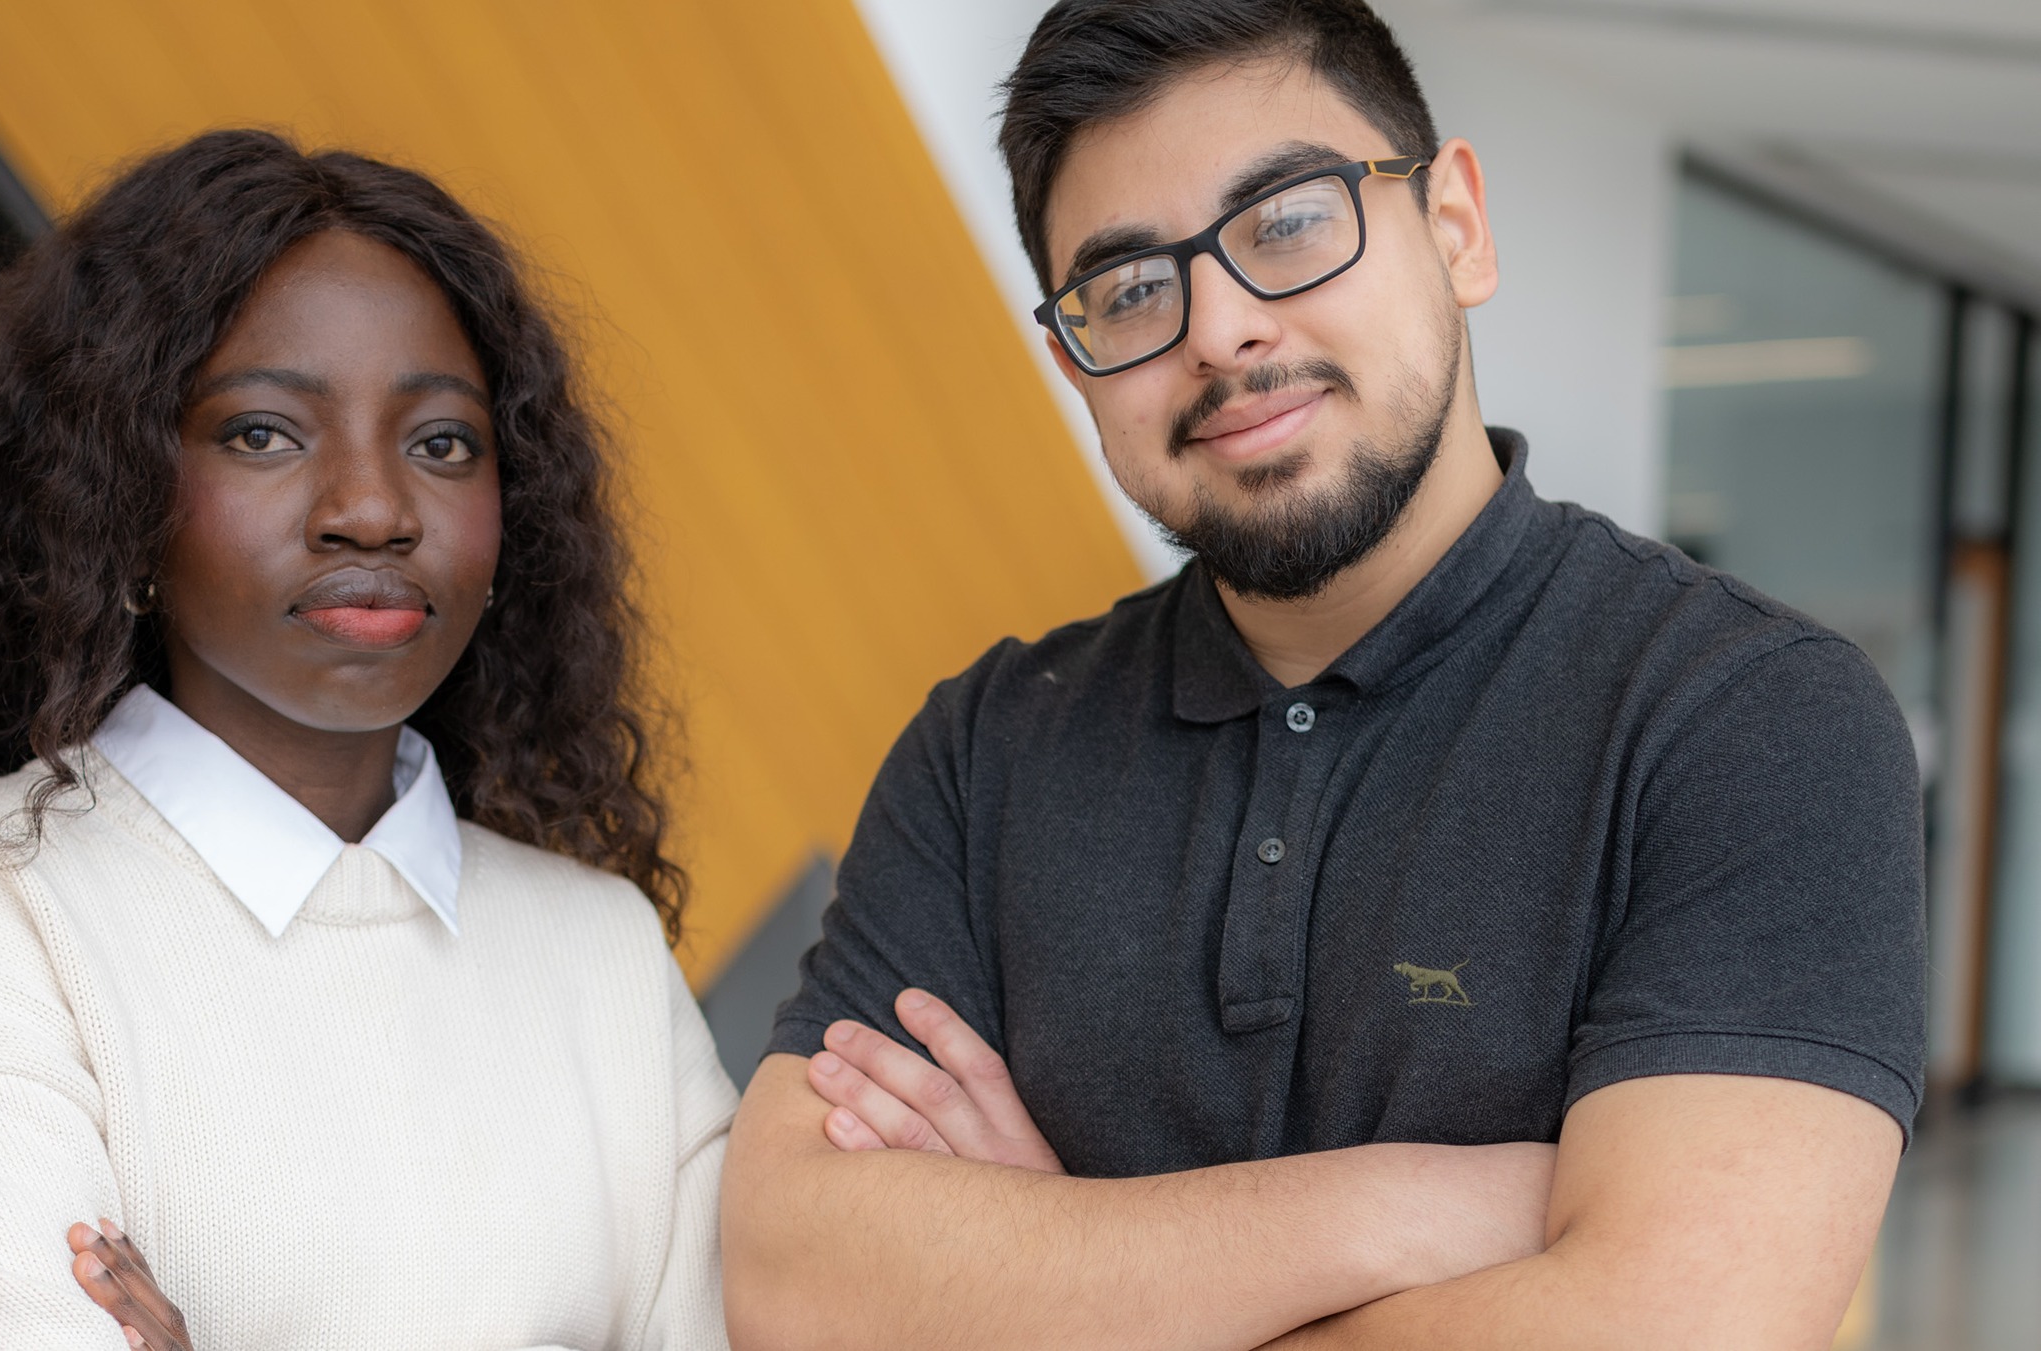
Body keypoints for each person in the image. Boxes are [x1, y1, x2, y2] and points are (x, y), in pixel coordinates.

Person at [720, 2, 1922, 1348]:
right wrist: (1414, 1208)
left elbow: (1683, 1326)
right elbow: (790, 1274)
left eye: (1287, 222)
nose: (1221, 331)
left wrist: (1054, 1276)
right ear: (1071, 362)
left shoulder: (1743, 716)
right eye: (1128, 291)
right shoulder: (986, 747)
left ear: (1454, 225)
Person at [0, 129, 733, 1351]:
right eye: (264, 433)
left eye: (441, 443)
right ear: (117, 490)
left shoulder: (604, 949)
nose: (373, 508)